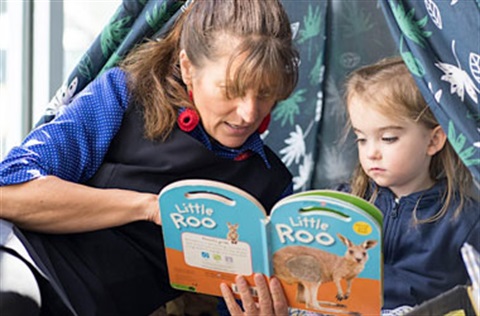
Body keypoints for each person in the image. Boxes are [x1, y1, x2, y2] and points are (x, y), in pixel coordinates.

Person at [0, 0, 299, 315]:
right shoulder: (123, 96)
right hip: (23, 262)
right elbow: (8, 193)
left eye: (265, 93)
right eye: (231, 90)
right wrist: (149, 207)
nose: (249, 112)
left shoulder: (270, 186)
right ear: (188, 68)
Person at [342, 56, 480, 313]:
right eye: (361, 139)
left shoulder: (464, 219)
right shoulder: (347, 202)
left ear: (433, 141)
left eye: (388, 138)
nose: (371, 152)